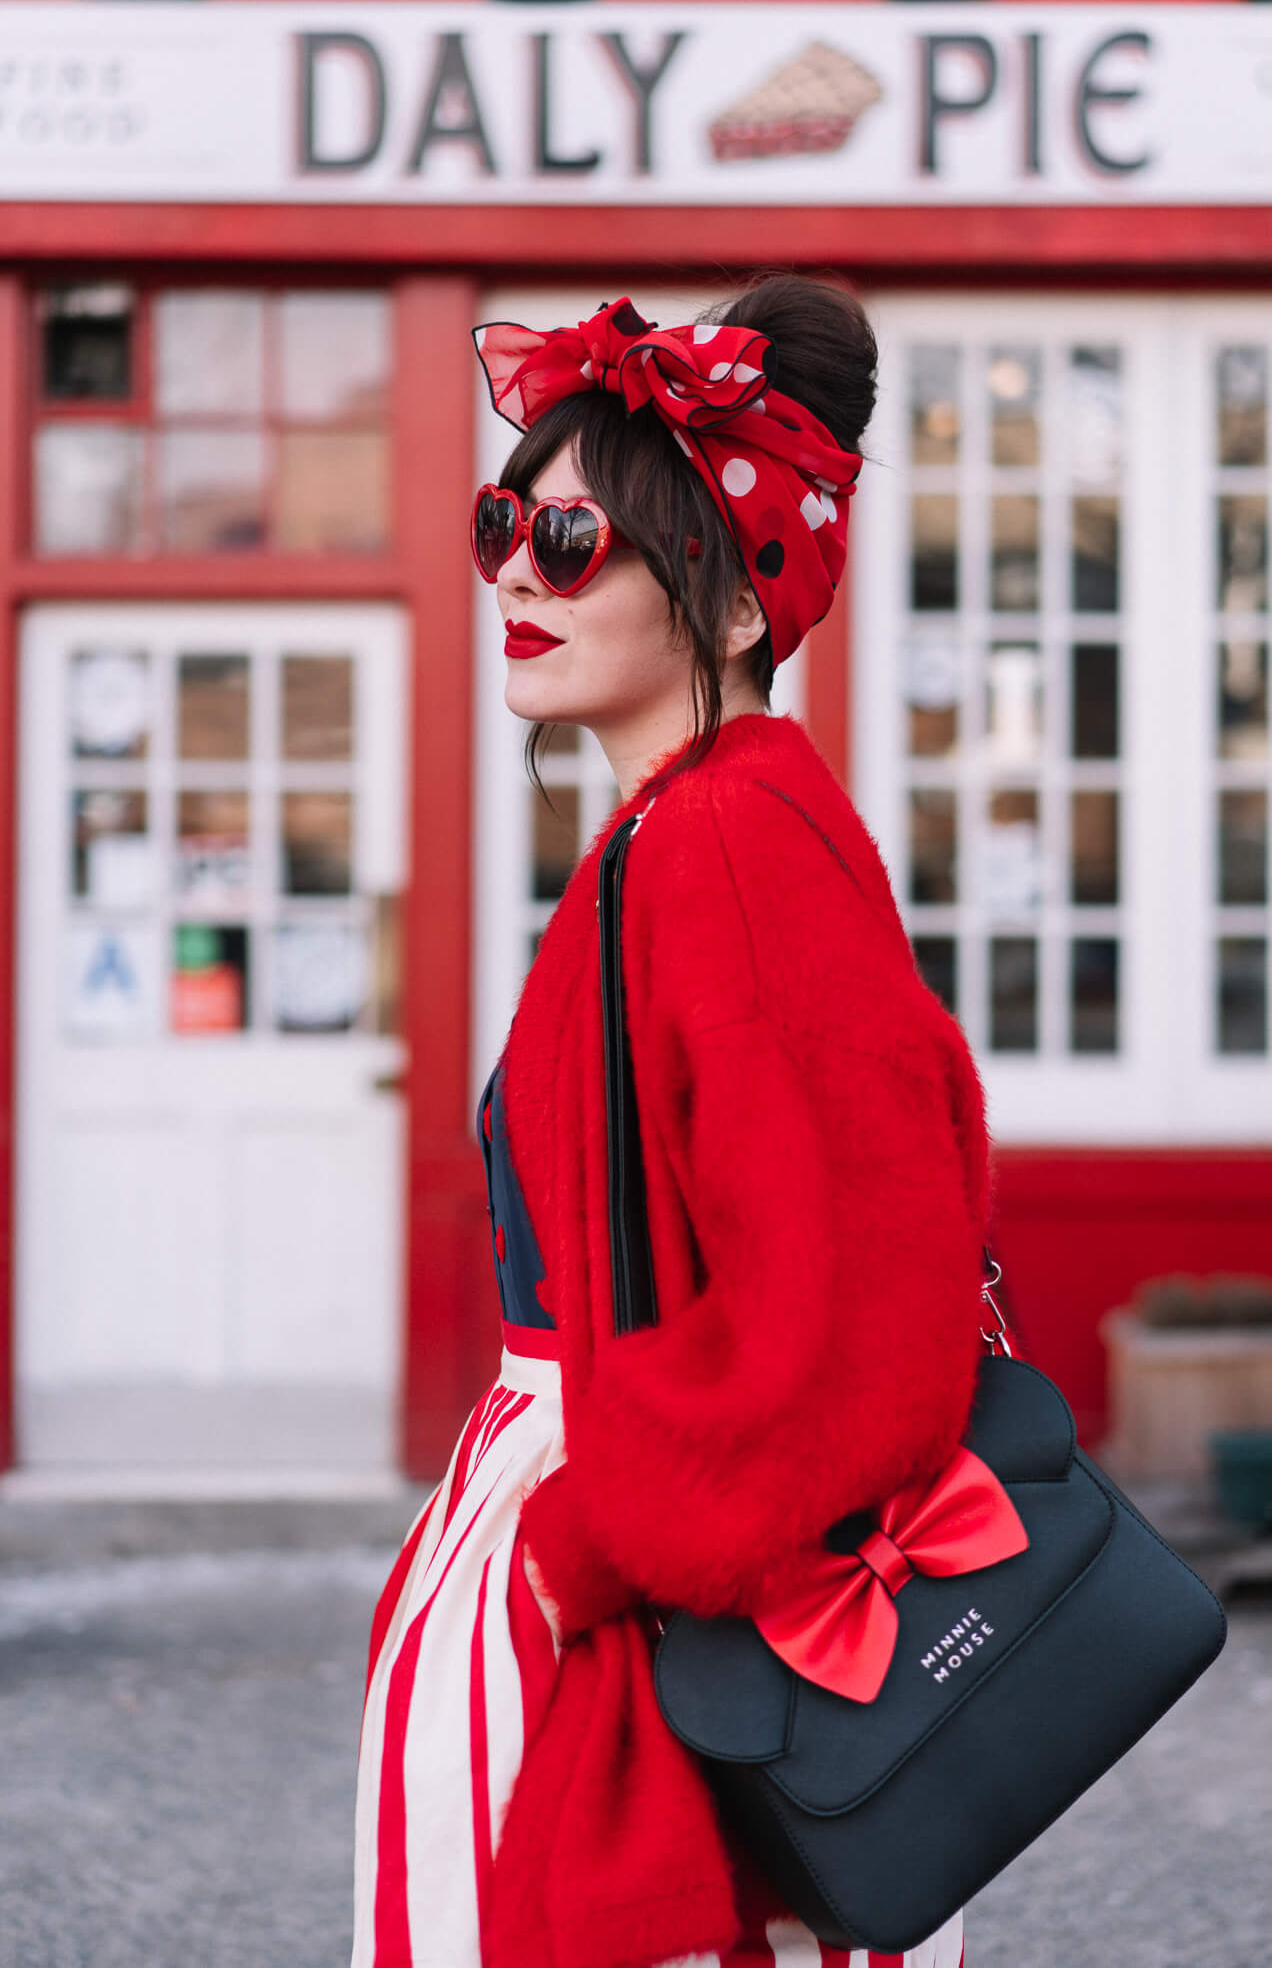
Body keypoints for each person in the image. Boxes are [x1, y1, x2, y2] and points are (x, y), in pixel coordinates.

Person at [352, 277, 989, 1968]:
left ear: (725, 609)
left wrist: (576, 1548)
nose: (509, 574)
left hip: (636, 1627)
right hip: (611, 1590)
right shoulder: (680, 835)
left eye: (573, 545)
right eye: (508, 520)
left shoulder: (727, 847)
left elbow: (862, 1319)